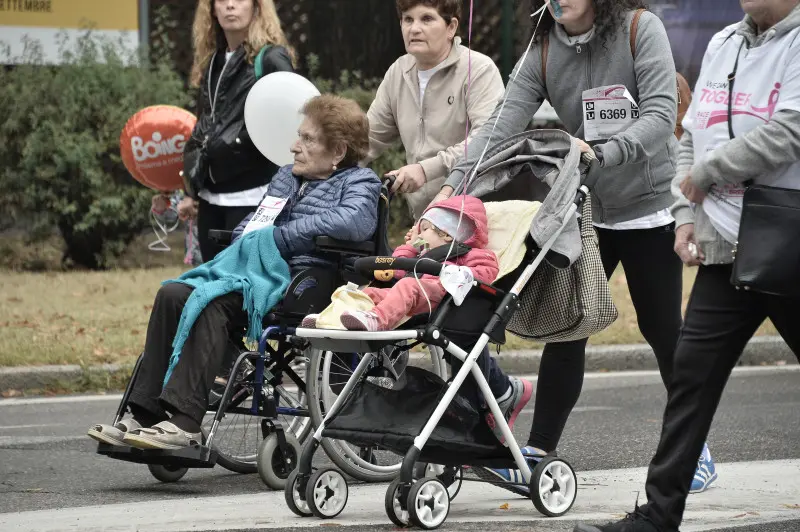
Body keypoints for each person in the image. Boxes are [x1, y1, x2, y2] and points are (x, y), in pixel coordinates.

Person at [430, 0, 713, 493]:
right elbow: (502, 123)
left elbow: (660, 114)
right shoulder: (543, 44)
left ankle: (695, 450)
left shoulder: (640, 29)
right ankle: (538, 450)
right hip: (586, 207)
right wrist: (456, 186)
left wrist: (603, 152)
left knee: (662, 331)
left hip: (649, 206)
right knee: (568, 323)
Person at [578, 1, 800, 530]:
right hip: (724, 247)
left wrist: (709, 171)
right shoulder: (724, 42)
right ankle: (658, 515)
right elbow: (692, 128)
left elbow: (790, 130)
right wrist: (685, 214)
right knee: (690, 381)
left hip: (789, 243)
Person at [87, 95, 382, 450]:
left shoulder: (361, 182)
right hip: (255, 271)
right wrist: (249, 238)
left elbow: (353, 222)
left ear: (337, 151)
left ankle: (185, 422)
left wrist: (280, 238)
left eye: (307, 139)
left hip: (305, 282)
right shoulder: (286, 177)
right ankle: (145, 414)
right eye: (298, 136)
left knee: (214, 301)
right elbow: (258, 219)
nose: (294, 146)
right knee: (173, 293)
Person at [363, 0, 505, 220]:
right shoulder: (398, 72)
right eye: (408, 19)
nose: (414, 28)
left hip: (477, 216)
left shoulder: (479, 70)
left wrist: (425, 169)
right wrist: (327, 161)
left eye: (427, 19)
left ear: (451, 27)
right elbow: (366, 139)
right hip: (423, 221)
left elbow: (488, 142)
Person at [186, 0, 295, 261]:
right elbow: (204, 124)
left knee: (243, 286)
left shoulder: (270, 58)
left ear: (257, 8)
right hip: (211, 198)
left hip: (254, 194)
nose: (230, 6)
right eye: (222, 0)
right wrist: (190, 188)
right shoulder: (211, 61)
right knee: (209, 282)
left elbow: (294, 114)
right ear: (212, 9)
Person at [151, 193, 202, 266]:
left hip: (217, 252)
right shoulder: (184, 191)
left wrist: (199, 210)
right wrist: (161, 209)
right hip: (196, 254)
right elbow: (172, 215)